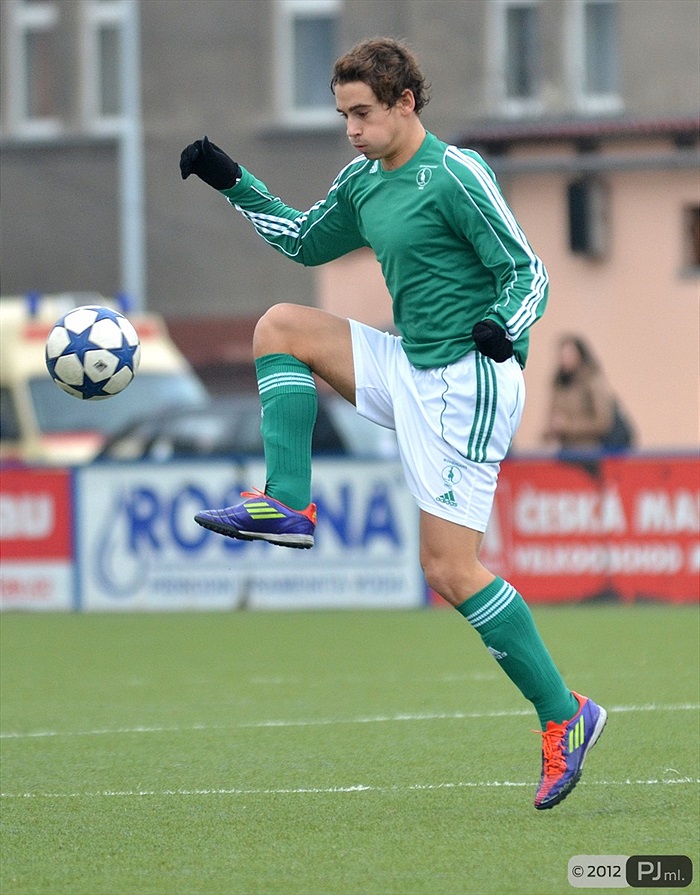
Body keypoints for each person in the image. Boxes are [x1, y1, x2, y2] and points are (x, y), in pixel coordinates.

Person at [180, 37, 606, 810]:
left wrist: (504, 325)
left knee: (447, 568)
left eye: (362, 113)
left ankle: (565, 715)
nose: (351, 129)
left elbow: (527, 271)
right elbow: (305, 239)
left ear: (405, 102)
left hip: (471, 380)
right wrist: (232, 180)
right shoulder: (364, 181)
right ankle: (289, 501)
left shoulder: (455, 173)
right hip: (411, 364)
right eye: (343, 114)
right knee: (281, 325)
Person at [544, 334, 634, 455]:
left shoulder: (592, 381)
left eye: (568, 355)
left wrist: (567, 426)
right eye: (562, 355)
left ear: (579, 355)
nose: (564, 359)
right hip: (565, 450)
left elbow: (603, 421)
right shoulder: (559, 384)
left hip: (590, 452)